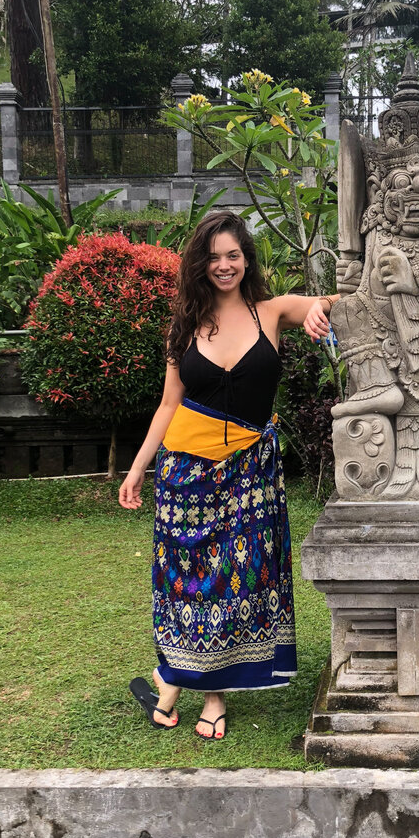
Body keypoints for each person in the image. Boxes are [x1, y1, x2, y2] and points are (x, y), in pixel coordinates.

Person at [119, 210, 338, 739]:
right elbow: (169, 404)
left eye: (233, 255)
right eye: (214, 257)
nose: (224, 265)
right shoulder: (183, 328)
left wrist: (320, 309)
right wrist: (138, 467)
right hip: (185, 476)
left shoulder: (270, 312)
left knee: (235, 578)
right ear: (200, 264)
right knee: (190, 584)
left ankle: (177, 686)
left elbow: (328, 300)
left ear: (246, 260)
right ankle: (199, 692)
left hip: (249, 473)